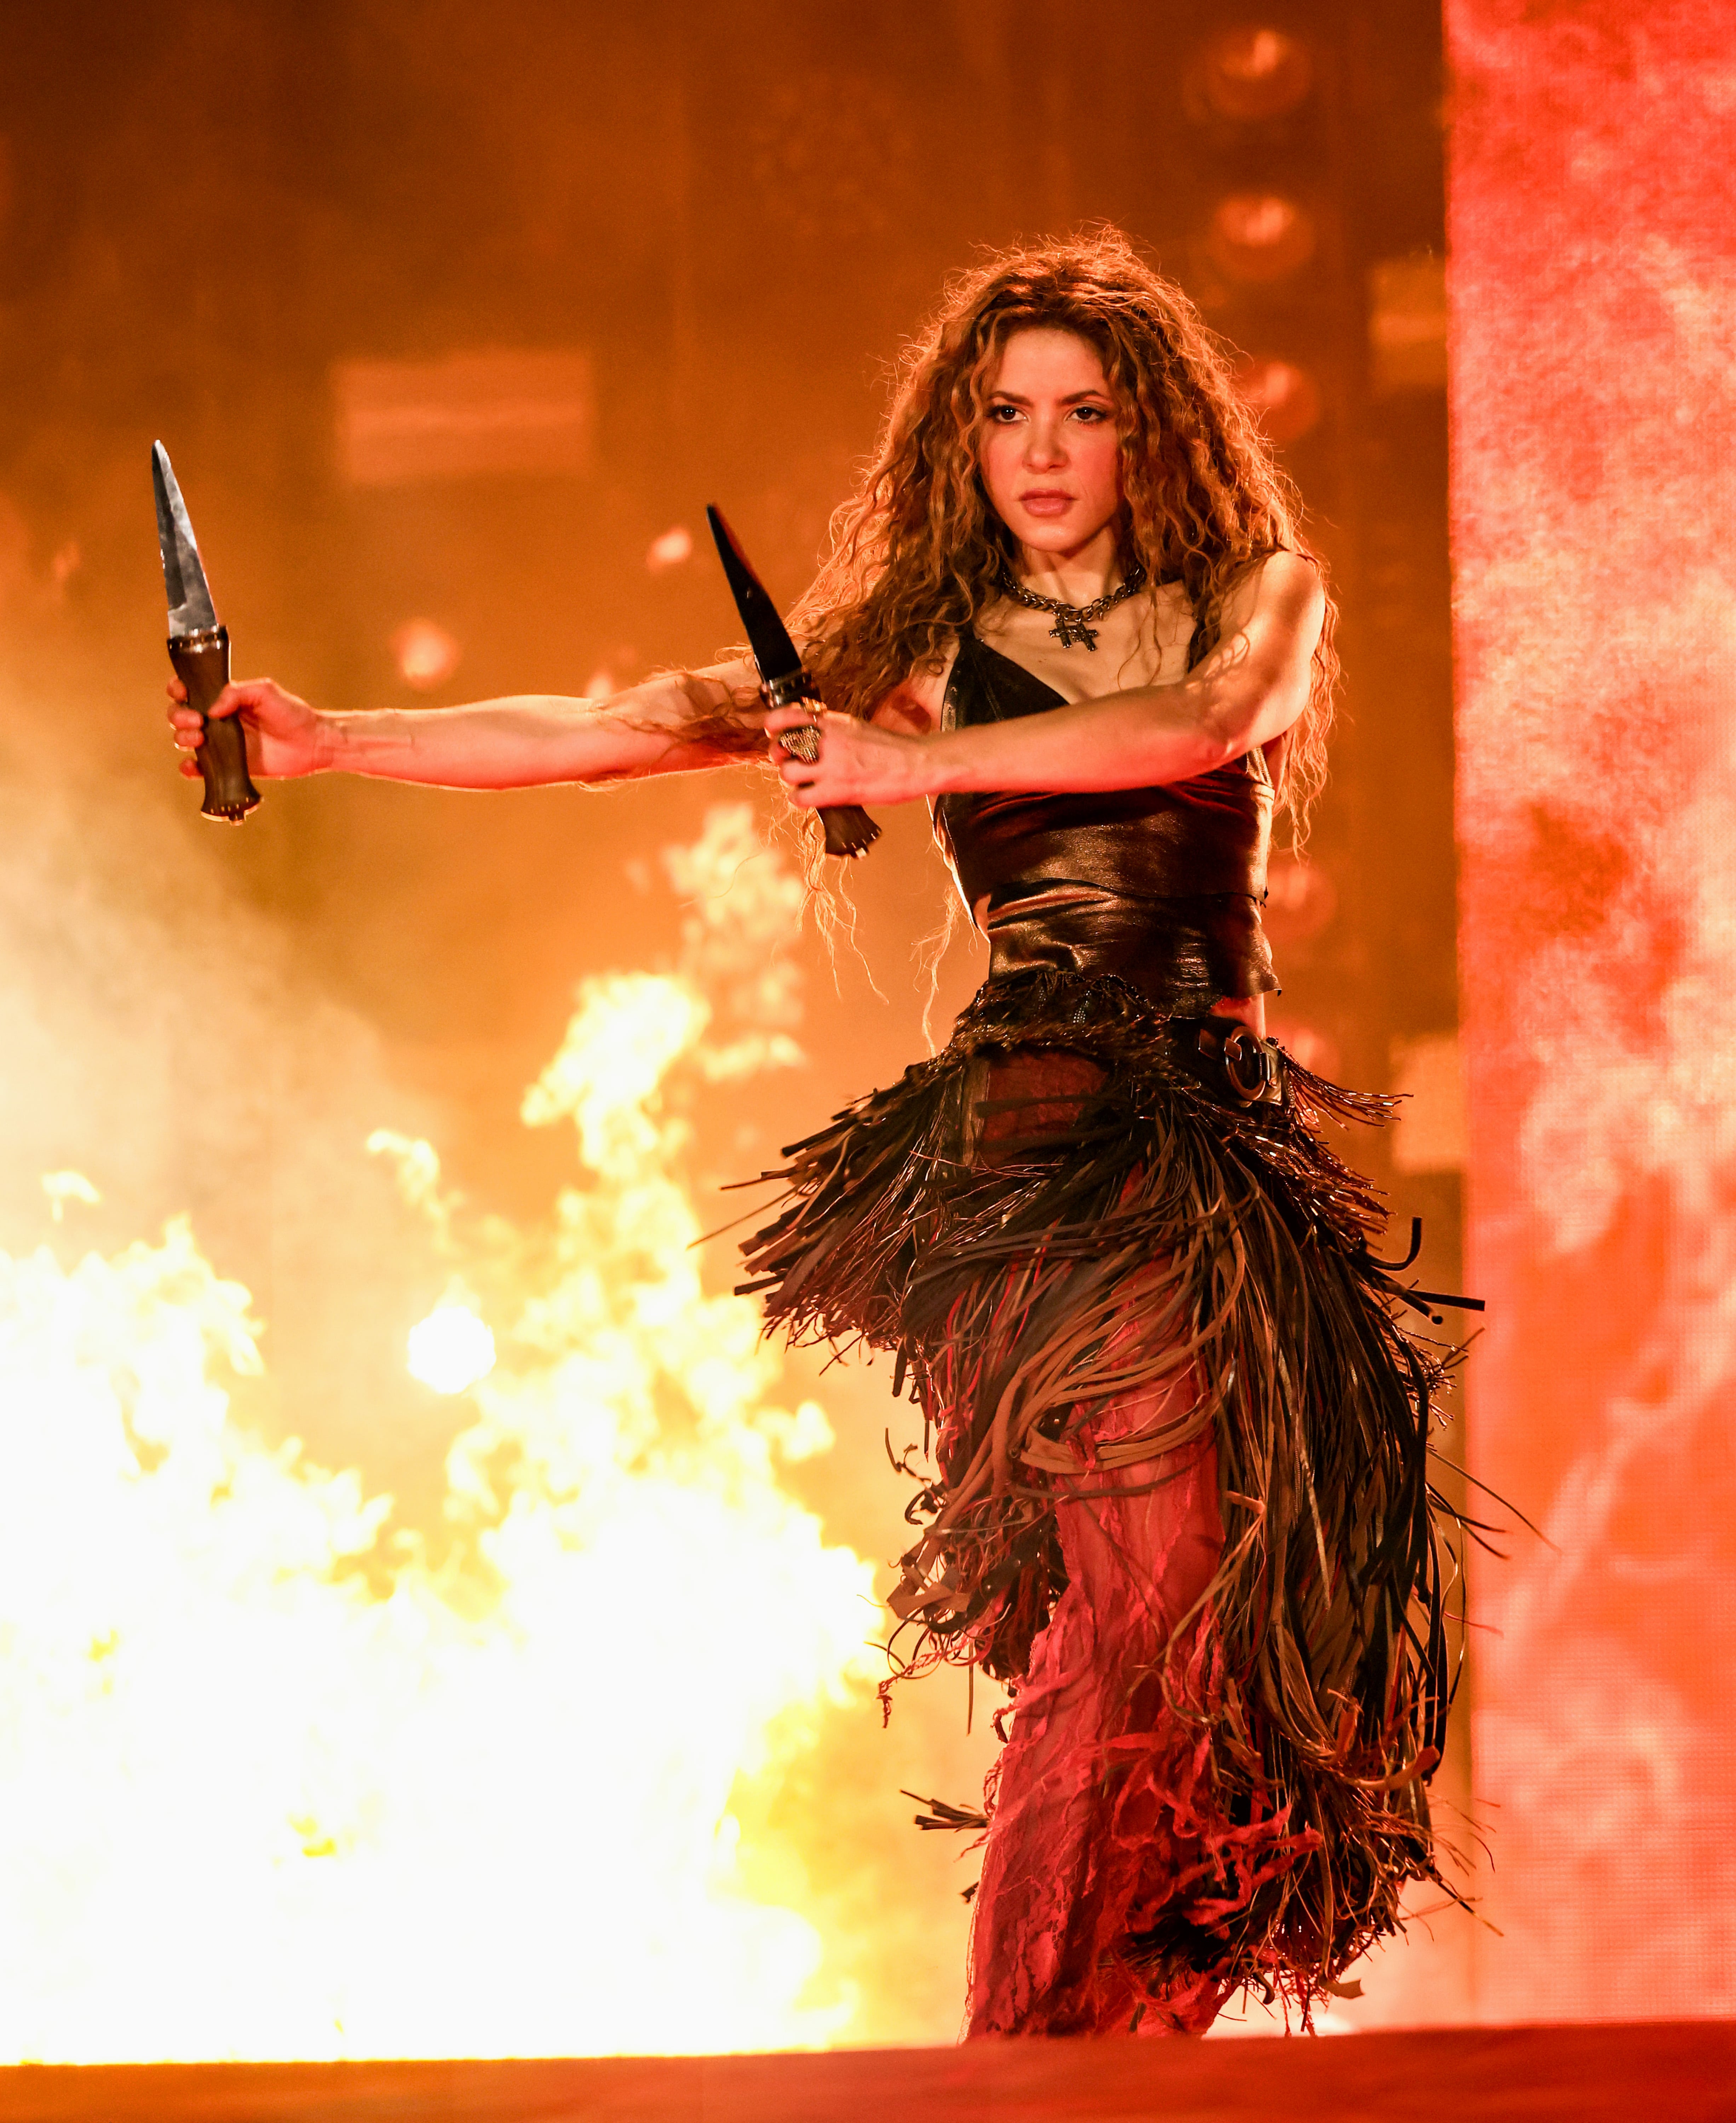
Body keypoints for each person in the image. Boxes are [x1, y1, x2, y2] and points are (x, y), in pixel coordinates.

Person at [167, 231, 1460, 2038]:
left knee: (1228, 1634)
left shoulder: (1257, 593)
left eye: (1085, 410)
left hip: (1223, 1157)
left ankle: (1128, 2036)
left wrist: (908, 767)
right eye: (1006, 410)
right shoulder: (924, 652)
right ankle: (1031, 2061)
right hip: (1047, 1145)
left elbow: (1203, 724)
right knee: (1140, 1595)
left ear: (1146, 429)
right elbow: (622, 725)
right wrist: (328, 739)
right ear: (963, 436)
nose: (1043, 446)